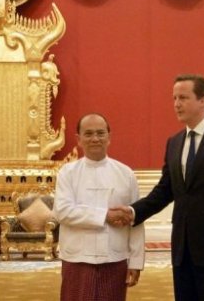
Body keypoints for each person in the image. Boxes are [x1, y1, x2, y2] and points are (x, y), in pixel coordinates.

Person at [121, 75, 204, 301]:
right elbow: (165, 190)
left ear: (202, 100)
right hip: (183, 249)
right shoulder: (174, 143)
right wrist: (133, 212)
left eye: (183, 97)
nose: (176, 103)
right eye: (174, 98)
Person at [53, 113, 145, 301]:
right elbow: (62, 211)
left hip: (114, 258)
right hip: (77, 259)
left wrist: (136, 261)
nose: (95, 139)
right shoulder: (67, 173)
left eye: (100, 133)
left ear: (109, 137)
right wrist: (104, 216)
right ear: (78, 139)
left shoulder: (125, 173)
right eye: (88, 134)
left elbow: (135, 220)